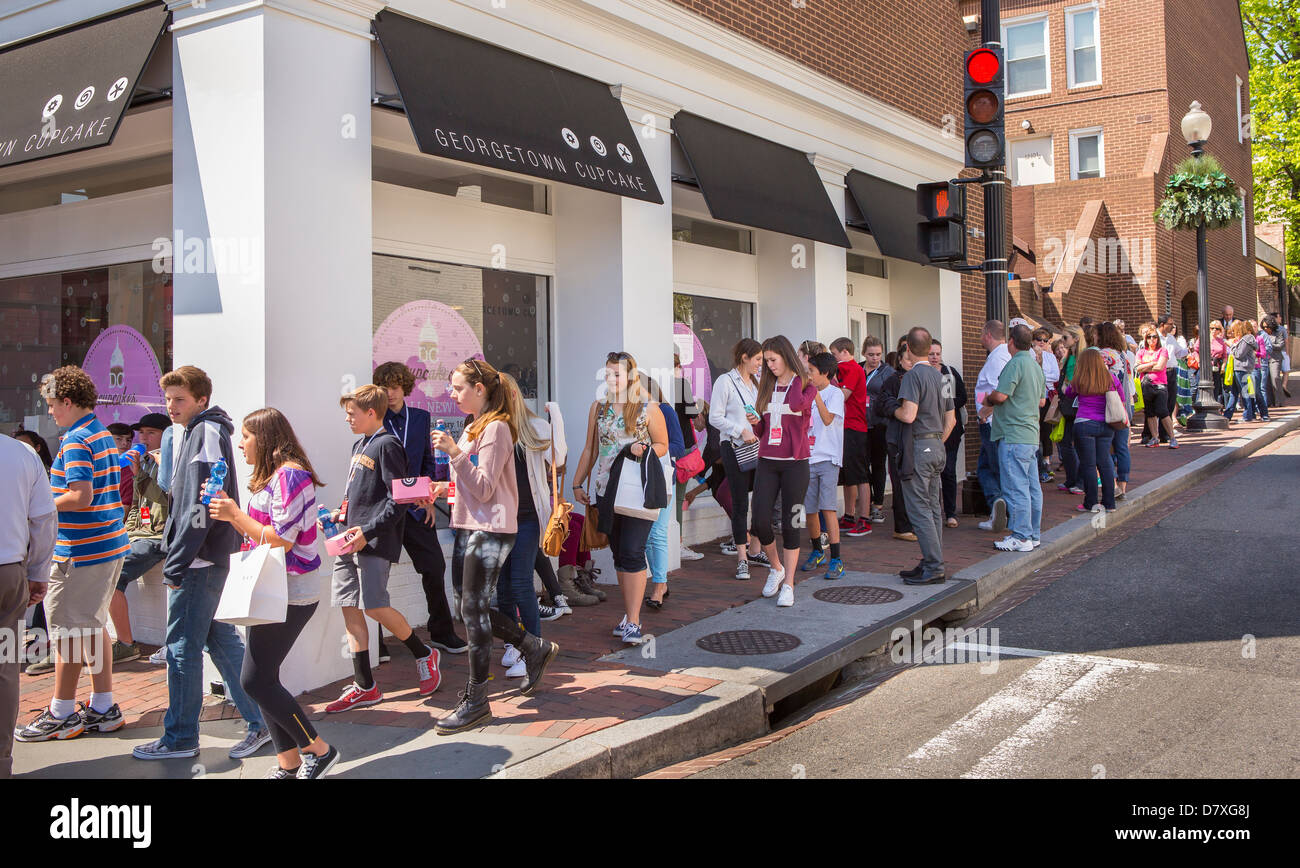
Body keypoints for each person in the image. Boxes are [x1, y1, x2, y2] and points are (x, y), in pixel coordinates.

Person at [132, 366, 268, 761]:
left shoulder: (205, 432)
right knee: (220, 642)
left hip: (198, 562)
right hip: (203, 558)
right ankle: (262, 722)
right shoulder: (199, 430)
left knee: (181, 649)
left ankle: (179, 738)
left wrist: (177, 562)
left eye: (180, 399)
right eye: (169, 399)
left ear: (201, 399)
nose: (172, 407)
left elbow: (200, 504)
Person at [207, 408, 340, 779]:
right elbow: (262, 532)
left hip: (290, 592)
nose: (240, 444)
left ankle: (318, 749)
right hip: (270, 589)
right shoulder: (276, 476)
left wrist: (235, 512)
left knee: (254, 680)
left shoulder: (291, 475)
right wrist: (231, 515)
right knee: (265, 677)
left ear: (264, 438)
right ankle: (289, 762)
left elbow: (282, 539)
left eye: (246, 436)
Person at [432, 360, 560, 732]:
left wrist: (455, 452)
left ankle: (476, 701)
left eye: (459, 388)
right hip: (470, 526)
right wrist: (442, 489)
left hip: (491, 529)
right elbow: (472, 484)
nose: (453, 395)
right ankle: (532, 647)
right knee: (466, 609)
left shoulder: (499, 428)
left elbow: (486, 487)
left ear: (480, 389)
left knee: (473, 612)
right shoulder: (477, 426)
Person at [15, 368, 130, 745]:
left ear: (67, 402)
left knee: (66, 632)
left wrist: (39, 504)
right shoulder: (98, 432)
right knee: (91, 627)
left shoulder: (78, 439)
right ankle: (102, 706)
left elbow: (81, 497)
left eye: (51, 406)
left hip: (81, 552)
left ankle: (62, 712)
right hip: (106, 546)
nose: (50, 413)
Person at [320, 384, 439, 717]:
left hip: (373, 543)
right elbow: (356, 496)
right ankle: (364, 686)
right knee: (348, 606)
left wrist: (367, 530)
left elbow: (398, 501)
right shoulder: (361, 444)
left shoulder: (388, 446)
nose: (347, 419)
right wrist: (339, 515)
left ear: (371, 413)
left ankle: (423, 654)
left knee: (374, 605)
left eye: (352, 413)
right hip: (347, 539)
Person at [571, 351, 669, 645]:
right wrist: (577, 483)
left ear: (631, 375)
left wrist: (644, 448)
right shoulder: (598, 408)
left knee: (633, 551)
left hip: (637, 491)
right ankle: (628, 615)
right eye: (608, 373)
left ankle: (634, 622)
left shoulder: (646, 408)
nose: (612, 378)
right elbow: (590, 449)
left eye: (618, 373)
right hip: (606, 491)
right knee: (618, 553)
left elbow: (663, 444)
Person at [372, 362, 467, 658]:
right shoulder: (374, 418)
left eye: (396, 386)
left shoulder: (421, 417)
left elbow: (427, 461)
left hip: (415, 509)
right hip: (384, 509)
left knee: (434, 567)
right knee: (376, 576)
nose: (390, 393)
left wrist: (427, 499)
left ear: (405, 387)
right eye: (385, 387)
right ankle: (377, 644)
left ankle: (441, 631)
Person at [493, 375, 568, 667]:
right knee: (502, 587)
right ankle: (515, 642)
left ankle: (534, 648)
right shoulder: (488, 428)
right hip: (499, 520)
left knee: (521, 582)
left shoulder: (535, 426)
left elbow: (559, 458)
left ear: (511, 394)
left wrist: (557, 416)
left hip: (526, 518)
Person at [744, 336, 815, 607]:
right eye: (766, 360)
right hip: (768, 461)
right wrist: (755, 422)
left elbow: (797, 405)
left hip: (796, 463)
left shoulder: (805, 386)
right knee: (760, 520)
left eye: (773, 360)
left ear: (786, 357)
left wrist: (796, 376)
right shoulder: (766, 387)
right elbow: (763, 431)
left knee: (792, 522)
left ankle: (790, 583)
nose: (768, 366)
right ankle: (776, 567)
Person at [1, 433, 57, 775]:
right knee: (4, 668)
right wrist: (37, 570)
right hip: (9, 570)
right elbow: (44, 517)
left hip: (12, 567)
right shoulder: (21, 452)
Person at [892, 328, 956, 582]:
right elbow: (951, 420)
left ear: (907, 347)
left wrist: (892, 409)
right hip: (937, 445)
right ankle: (932, 559)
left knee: (919, 509)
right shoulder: (943, 377)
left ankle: (933, 565)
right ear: (929, 348)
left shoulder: (912, 376)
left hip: (919, 446)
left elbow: (908, 414)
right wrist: (937, 442)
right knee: (932, 508)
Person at [108, 412, 170, 665]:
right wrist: (129, 532)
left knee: (111, 576)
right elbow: (138, 504)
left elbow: (168, 497)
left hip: (160, 537)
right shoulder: (144, 463)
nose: (142, 438)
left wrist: (144, 471)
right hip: (143, 533)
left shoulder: (170, 462)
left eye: (150, 433)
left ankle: (125, 643)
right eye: (141, 433)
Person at [708, 338, 771, 579]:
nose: (760, 365)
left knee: (761, 500)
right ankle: (742, 558)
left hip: (757, 448)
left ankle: (755, 550)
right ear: (744, 357)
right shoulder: (725, 381)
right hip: (734, 447)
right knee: (740, 503)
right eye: (757, 360)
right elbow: (715, 417)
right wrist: (739, 430)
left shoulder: (755, 384)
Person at [984, 323, 1047, 552]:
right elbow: (1041, 401)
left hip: (1013, 434)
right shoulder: (1035, 365)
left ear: (1011, 341)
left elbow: (1000, 395)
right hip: (1031, 434)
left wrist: (988, 399)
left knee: (1015, 487)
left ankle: (1021, 536)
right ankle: (1033, 533)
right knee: (1032, 488)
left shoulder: (1015, 364)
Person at [800, 353, 846, 579]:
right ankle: (817, 551)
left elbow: (828, 420)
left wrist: (815, 395)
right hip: (808, 457)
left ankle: (836, 558)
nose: (808, 376)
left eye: (812, 371)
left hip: (828, 457)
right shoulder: (806, 391)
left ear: (825, 373)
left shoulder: (834, 393)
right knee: (810, 510)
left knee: (828, 508)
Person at [12, 429, 54, 675]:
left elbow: (43, 516)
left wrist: (39, 571)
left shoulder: (39, 470)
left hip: (24, 552)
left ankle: (43, 642)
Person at [1063, 348, 1120, 515]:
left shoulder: (1080, 379)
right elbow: (1121, 398)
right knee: (1104, 461)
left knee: (1088, 464)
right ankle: (1109, 503)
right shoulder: (1111, 378)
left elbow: (1068, 393)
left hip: (1084, 424)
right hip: (1106, 424)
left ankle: (1091, 502)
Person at [645, 376, 686, 609]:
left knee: (658, 531)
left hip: (662, 478)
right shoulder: (634, 414)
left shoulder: (665, 411)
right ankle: (660, 581)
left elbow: (679, 446)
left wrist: (652, 448)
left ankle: (659, 585)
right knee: (648, 534)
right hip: (641, 481)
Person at [829, 337, 870, 537]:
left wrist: (830, 380)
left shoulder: (853, 369)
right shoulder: (844, 369)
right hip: (843, 427)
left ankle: (865, 517)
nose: (834, 359)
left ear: (845, 352)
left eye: (835, 354)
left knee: (860, 474)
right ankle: (849, 514)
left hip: (855, 427)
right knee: (847, 476)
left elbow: (842, 396)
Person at [974, 320, 1012, 531]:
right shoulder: (999, 356)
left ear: (988, 334)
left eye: (981, 333)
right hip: (991, 422)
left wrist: (984, 413)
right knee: (987, 467)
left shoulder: (998, 358)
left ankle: (1001, 506)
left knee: (993, 468)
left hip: (991, 423)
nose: (980, 338)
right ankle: (998, 506)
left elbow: (1000, 391)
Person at [875, 348, 915, 542]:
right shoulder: (893, 380)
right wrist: (898, 409)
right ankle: (902, 526)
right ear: (899, 360)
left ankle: (918, 523)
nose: (911, 362)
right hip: (897, 438)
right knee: (900, 482)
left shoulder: (923, 377)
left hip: (919, 439)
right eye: (907, 359)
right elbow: (880, 405)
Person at [928, 339, 966, 528]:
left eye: (937, 353)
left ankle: (950, 513)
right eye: (931, 353)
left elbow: (963, 397)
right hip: (929, 430)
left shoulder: (948, 374)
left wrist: (947, 406)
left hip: (950, 429)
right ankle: (932, 512)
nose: (934, 357)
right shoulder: (922, 374)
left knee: (948, 470)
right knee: (931, 472)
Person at [1095, 322, 1134, 500]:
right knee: (1122, 447)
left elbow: (1099, 380)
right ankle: (1123, 486)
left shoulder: (1102, 355)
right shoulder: (1123, 355)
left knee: (1104, 448)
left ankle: (1112, 484)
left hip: (1107, 406)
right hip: (1124, 405)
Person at [672, 354, 704, 561]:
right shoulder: (680, 385)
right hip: (681, 445)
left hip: (663, 447)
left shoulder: (655, 386)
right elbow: (693, 414)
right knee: (678, 499)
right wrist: (699, 403)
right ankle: (678, 544)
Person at [860, 336, 892, 524]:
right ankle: (866, 502)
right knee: (863, 466)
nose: (875, 358)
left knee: (878, 465)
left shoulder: (887, 372)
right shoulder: (858, 368)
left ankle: (878, 505)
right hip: (860, 424)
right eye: (871, 354)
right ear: (864, 353)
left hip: (879, 424)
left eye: (878, 354)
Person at [1053, 326, 1086, 488]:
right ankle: (1072, 479)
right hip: (1069, 405)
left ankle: (1078, 480)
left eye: (1065, 338)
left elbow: (1074, 380)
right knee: (1067, 443)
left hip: (1075, 405)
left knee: (1074, 444)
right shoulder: (1071, 356)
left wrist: (1067, 388)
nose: (1063, 341)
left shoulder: (1078, 358)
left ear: (1076, 339)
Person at [1136, 329, 1177, 447]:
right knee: (1149, 413)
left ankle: (1172, 438)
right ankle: (1154, 437)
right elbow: (1137, 368)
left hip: (1160, 385)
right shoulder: (1141, 352)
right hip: (1145, 384)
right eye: (1149, 337)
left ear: (1158, 339)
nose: (1151, 339)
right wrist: (1152, 363)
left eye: (1154, 337)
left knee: (1162, 411)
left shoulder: (1162, 350)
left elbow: (1160, 367)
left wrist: (1145, 366)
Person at [1032, 328, 1059, 482]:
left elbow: (1054, 375)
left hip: (1047, 397)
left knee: (1046, 428)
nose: (1041, 342)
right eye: (1038, 339)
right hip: (1033, 397)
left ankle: (1047, 460)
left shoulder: (1050, 357)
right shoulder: (1029, 355)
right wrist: (1042, 376)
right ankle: (1037, 462)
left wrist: (1041, 375)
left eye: (1045, 340)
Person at [1223, 321, 1259, 423]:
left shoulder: (1247, 339)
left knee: (1245, 392)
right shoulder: (1245, 339)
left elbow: (1239, 354)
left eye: (1235, 331)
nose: (1234, 333)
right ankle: (1227, 415)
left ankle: (1248, 415)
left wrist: (1232, 346)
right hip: (1238, 368)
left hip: (1242, 368)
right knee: (1234, 393)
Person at [1262, 316, 1286, 408]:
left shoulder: (1279, 332)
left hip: (1275, 358)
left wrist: (1268, 344)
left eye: (1267, 327)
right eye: (1263, 327)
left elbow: (1280, 345)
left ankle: (1279, 401)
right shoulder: (1262, 334)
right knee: (1266, 380)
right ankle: (1269, 401)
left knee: (1275, 377)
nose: (1265, 329)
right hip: (1265, 359)